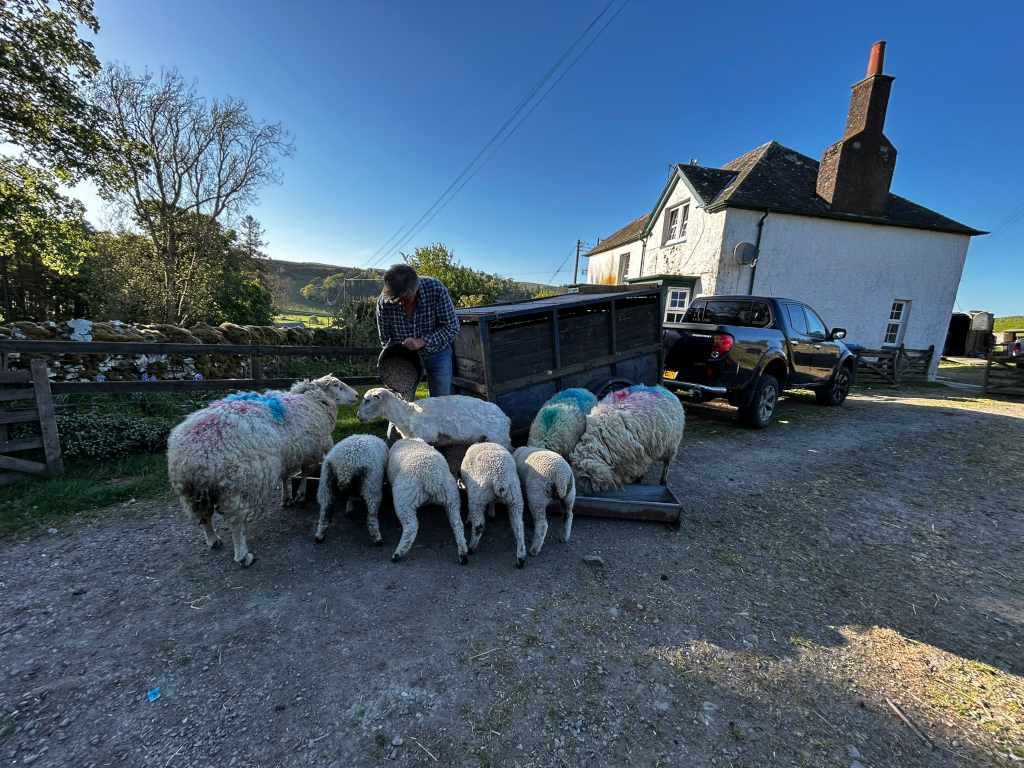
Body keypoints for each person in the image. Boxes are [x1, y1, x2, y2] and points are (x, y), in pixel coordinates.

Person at [376, 264, 460, 398]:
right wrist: (390, 368)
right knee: (404, 403)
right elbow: (386, 338)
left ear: (416, 287)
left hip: (438, 353)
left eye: (406, 299)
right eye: (397, 300)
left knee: (441, 400)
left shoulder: (436, 289)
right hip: (404, 358)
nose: (401, 303)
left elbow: (451, 327)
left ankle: (437, 419)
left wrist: (422, 341)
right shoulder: (384, 301)